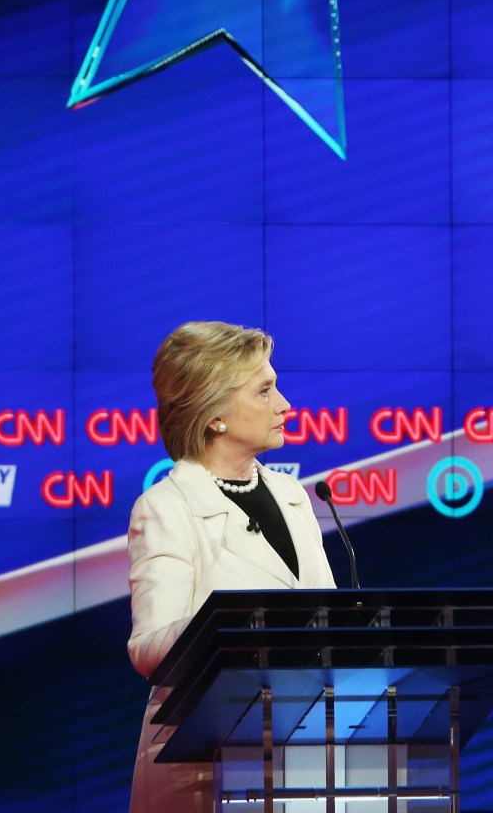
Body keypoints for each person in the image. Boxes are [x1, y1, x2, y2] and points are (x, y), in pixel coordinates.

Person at [127, 321, 336, 813]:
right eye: (264, 391)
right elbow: (148, 648)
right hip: (207, 766)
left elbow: (326, 619)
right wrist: (234, 624)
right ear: (214, 414)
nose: (285, 404)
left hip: (303, 752)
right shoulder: (167, 506)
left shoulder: (292, 496)